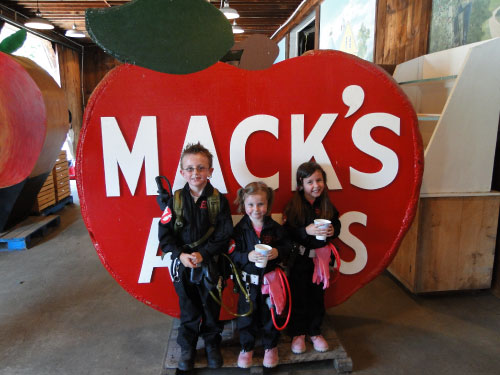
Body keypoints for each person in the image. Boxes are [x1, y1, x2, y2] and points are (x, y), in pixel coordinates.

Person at [158, 142, 233, 371]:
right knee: (188, 308)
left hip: (210, 264)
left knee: (211, 307)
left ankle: (211, 344)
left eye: (201, 168)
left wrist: (204, 254)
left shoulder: (218, 201)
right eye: (189, 169)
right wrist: (180, 255)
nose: (195, 173)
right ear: (182, 172)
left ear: (211, 171)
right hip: (183, 265)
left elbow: (224, 235)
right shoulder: (176, 201)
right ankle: (188, 347)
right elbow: (165, 236)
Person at [230, 182, 290, 369]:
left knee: (269, 315)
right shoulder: (240, 229)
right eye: (251, 204)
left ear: (268, 205)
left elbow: (288, 247)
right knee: (246, 317)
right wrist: (246, 256)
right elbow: (231, 252)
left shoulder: (275, 228)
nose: (256, 209)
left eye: (261, 204)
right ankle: (246, 347)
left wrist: (278, 252)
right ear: (243, 204)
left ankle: (270, 346)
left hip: (269, 283)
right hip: (248, 284)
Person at [283, 162, 341, 354]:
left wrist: (333, 230)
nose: (315, 185)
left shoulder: (326, 204)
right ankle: (298, 333)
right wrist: (304, 231)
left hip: (321, 262)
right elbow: (286, 233)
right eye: (310, 182)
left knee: (317, 297)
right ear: (301, 184)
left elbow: (337, 223)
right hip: (300, 260)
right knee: (298, 296)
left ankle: (314, 331)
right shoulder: (293, 206)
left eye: (319, 180)